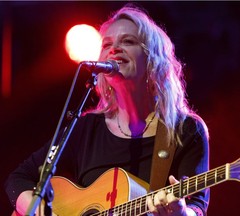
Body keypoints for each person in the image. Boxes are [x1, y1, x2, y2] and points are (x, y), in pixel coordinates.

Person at [5, 4, 209, 216]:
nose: (114, 49)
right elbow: (18, 179)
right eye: (107, 44)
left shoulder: (185, 130)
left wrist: (182, 213)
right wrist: (42, 212)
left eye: (128, 41)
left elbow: (198, 207)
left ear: (152, 60)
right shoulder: (86, 128)